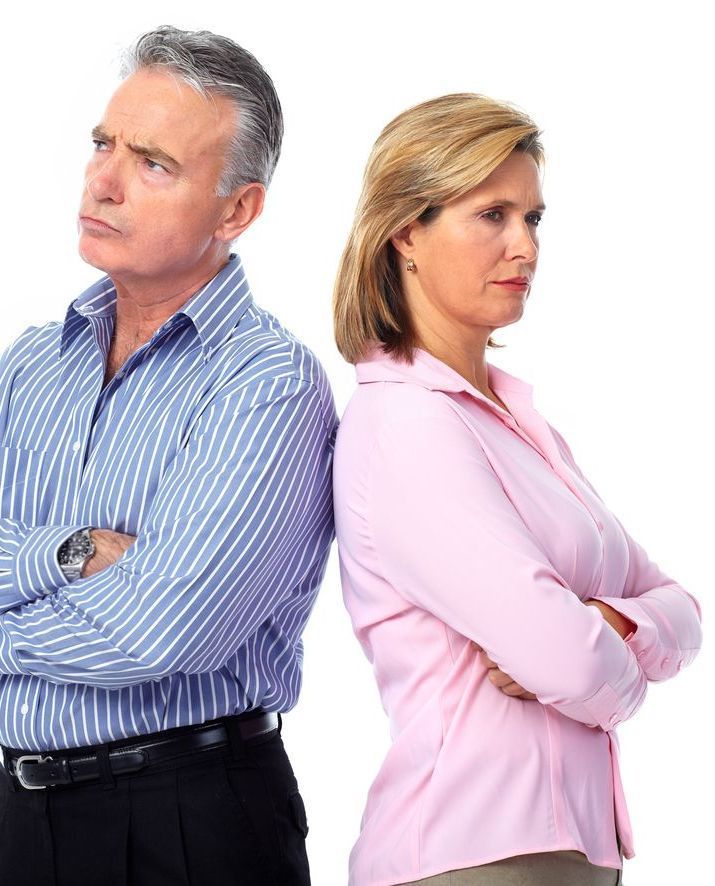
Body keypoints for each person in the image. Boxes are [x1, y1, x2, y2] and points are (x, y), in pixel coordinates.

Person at [331, 93, 703, 886]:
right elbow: (566, 660)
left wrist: (611, 619)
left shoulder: (519, 422)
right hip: (470, 855)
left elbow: (680, 605)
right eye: (492, 215)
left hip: (569, 856)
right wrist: (617, 655)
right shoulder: (407, 427)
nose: (523, 246)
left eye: (533, 218)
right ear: (406, 233)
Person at [0, 25, 336, 886]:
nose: (102, 181)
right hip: (14, 815)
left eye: (152, 164)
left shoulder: (269, 385)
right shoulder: (29, 365)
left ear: (237, 211)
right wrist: (70, 555)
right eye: (102, 144)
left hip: (185, 821)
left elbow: (161, 632)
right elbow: (128, 604)